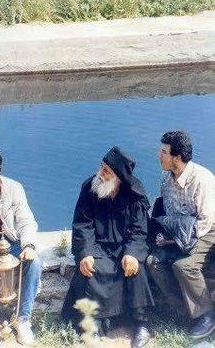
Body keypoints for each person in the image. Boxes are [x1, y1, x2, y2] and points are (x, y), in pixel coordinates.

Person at [62, 146, 154, 348]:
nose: (100, 173)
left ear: (119, 177)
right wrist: (86, 252)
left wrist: (131, 253)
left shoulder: (135, 195)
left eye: (106, 171)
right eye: (101, 167)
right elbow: (82, 224)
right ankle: (94, 324)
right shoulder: (89, 188)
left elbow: (139, 230)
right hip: (97, 246)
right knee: (93, 269)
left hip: (125, 247)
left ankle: (141, 324)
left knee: (135, 269)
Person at [147, 131, 215, 339]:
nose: (159, 155)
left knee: (183, 265)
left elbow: (205, 222)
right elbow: (167, 213)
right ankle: (186, 311)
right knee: (152, 262)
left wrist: (173, 242)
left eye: (164, 152)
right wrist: (163, 236)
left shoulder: (202, 180)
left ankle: (206, 315)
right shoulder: (165, 178)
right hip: (177, 232)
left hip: (206, 232)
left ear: (177, 157)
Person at [0, 145, 42, 346]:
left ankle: (23, 319)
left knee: (35, 263)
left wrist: (29, 245)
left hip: (10, 244)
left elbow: (26, 220)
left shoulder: (14, 188)